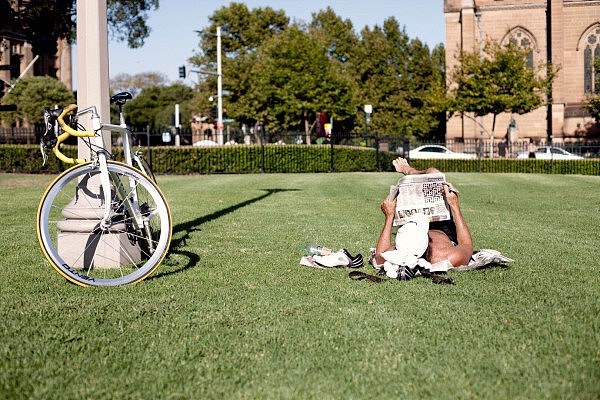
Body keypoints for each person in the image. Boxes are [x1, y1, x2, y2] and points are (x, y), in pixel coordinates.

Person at [373, 157, 474, 272]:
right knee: (434, 173)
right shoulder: (446, 257)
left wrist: (389, 215)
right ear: (428, 244)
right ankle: (408, 169)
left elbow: (379, 256)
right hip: (441, 227)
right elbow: (467, 245)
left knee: (433, 174)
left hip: (412, 221)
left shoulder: (401, 250)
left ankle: (407, 170)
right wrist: (455, 205)